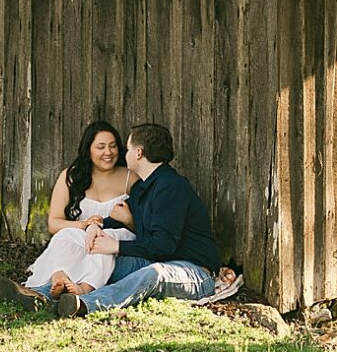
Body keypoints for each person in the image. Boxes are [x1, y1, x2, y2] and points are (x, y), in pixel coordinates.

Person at [49, 122, 238, 316]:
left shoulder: (172, 186)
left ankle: (85, 305)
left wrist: (117, 246)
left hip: (193, 271)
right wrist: (95, 225)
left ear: (138, 153)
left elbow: (163, 246)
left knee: (153, 274)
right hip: (158, 261)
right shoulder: (144, 188)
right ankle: (42, 295)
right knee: (99, 259)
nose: (125, 154)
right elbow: (115, 218)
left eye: (128, 149)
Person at [10, 118, 135, 307]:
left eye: (113, 146)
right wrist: (83, 225)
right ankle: (58, 279)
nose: (108, 152)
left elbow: (144, 221)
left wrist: (126, 220)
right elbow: (54, 223)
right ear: (89, 150)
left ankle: (84, 289)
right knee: (66, 235)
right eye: (100, 147)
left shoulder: (129, 177)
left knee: (103, 237)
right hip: (82, 237)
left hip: (118, 238)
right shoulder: (71, 176)